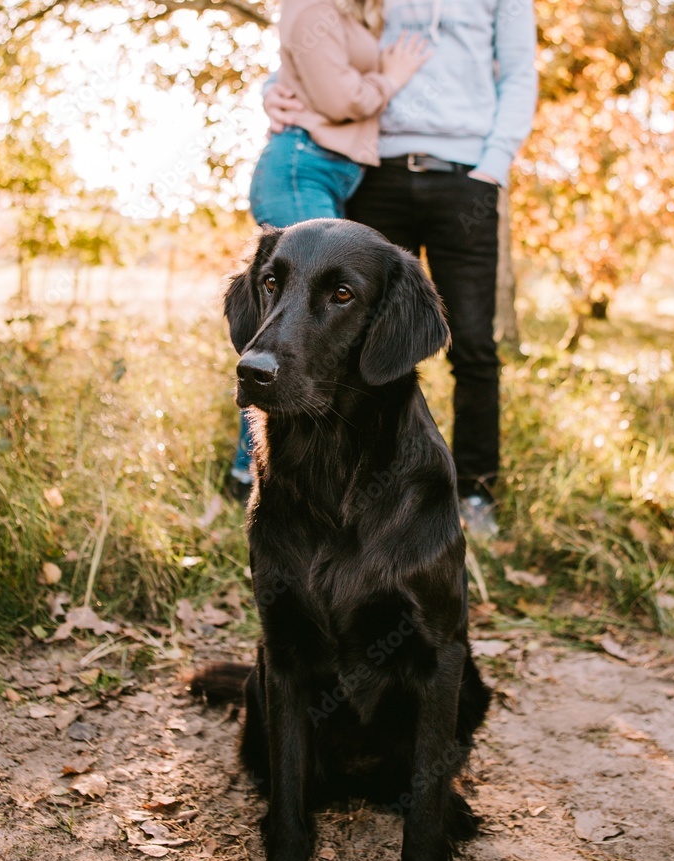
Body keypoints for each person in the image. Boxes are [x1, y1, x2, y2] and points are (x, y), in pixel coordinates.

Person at [263, 0, 538, 536]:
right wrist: (270, 88)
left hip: (466, 181)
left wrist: (493, 164)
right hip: (375, 173)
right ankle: (362, 489)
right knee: (359, 345)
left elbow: (520, 71)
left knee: (475, 345)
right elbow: (325, 36)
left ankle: (475, 492)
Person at [229, 0, 430, 502]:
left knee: (301, 324)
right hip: (303, 164)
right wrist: (392, 77)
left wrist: (270, 87)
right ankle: (250, 478)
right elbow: (341, 96)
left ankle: (255, 476)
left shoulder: (361, 11)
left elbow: (306, 66)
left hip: (330, 168)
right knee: (286, 326)